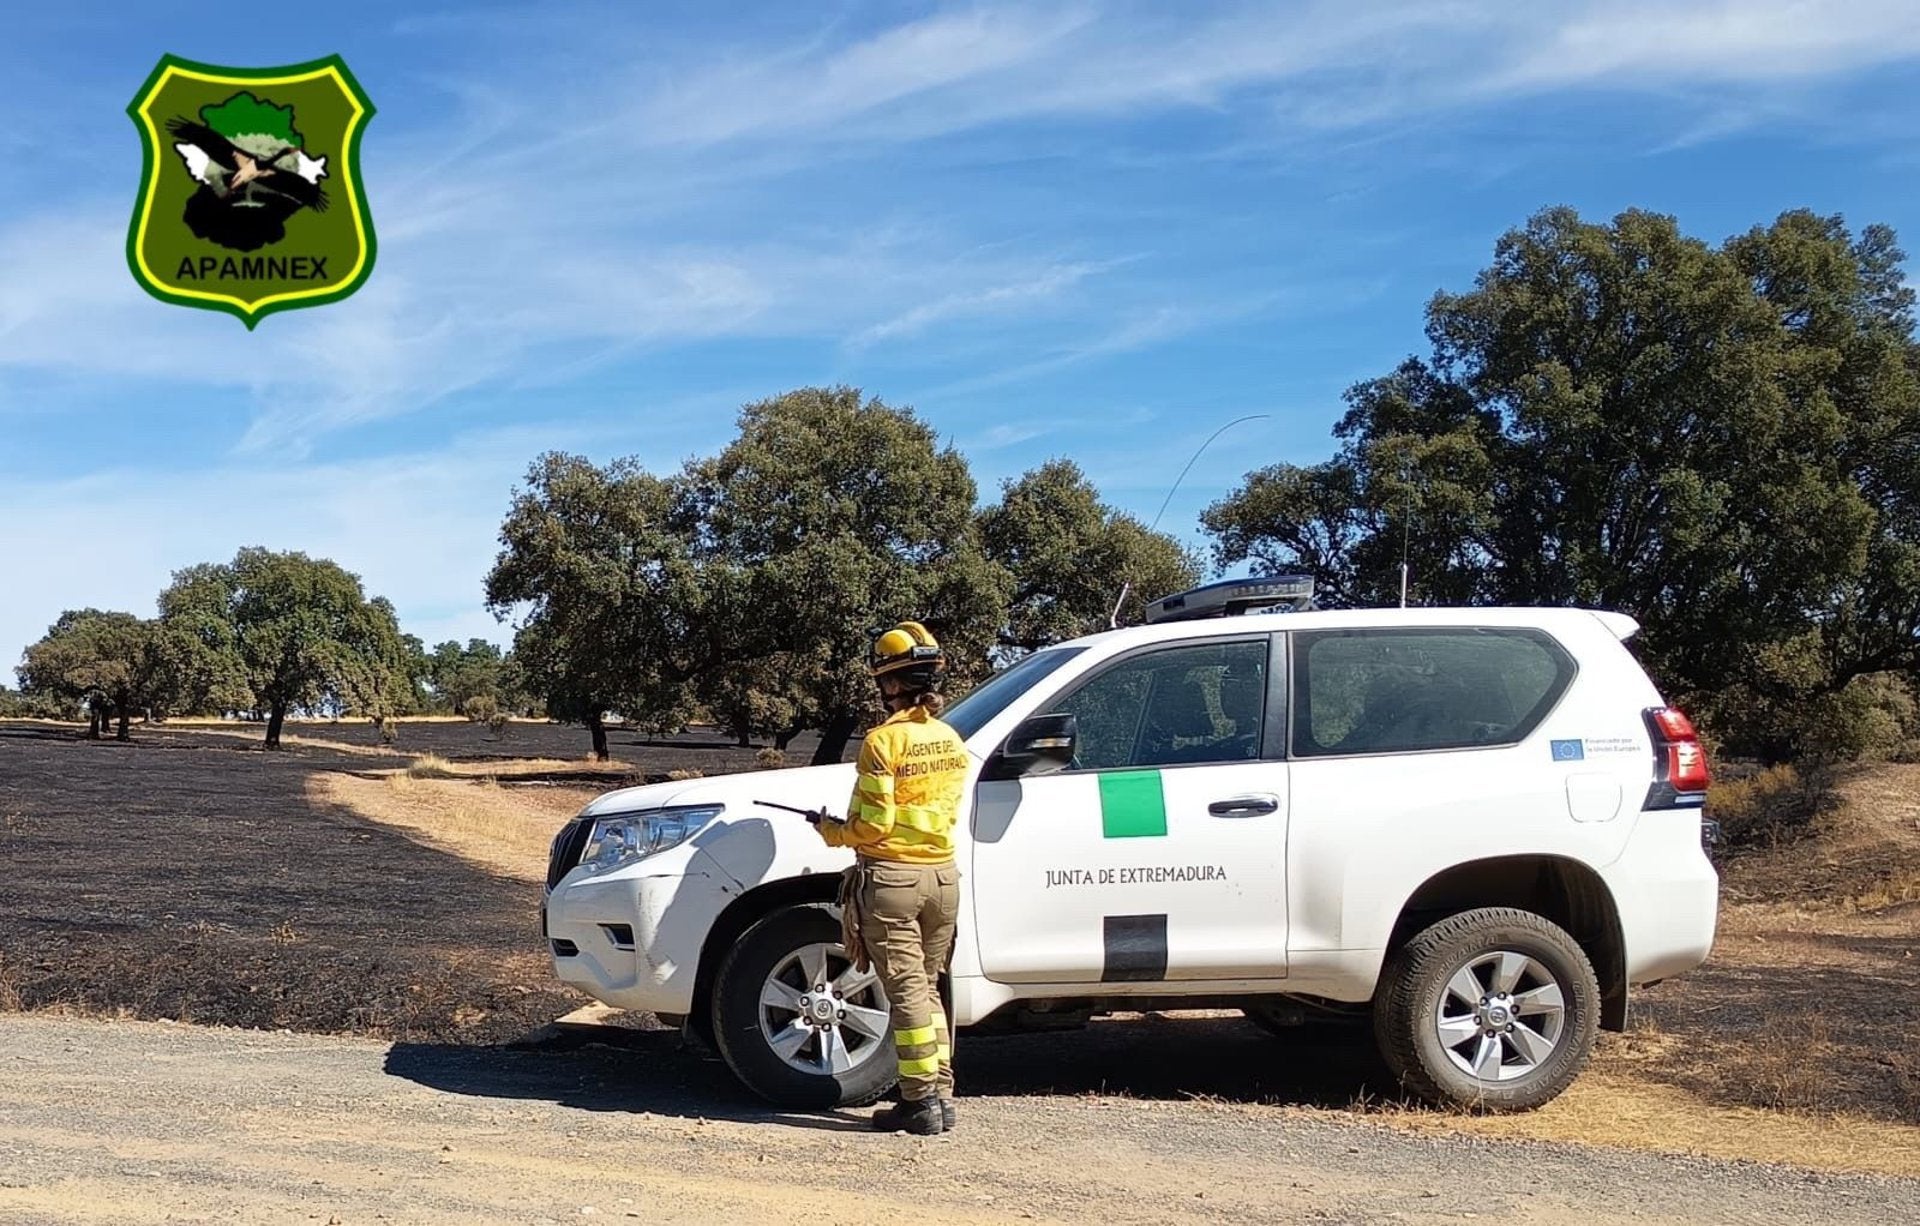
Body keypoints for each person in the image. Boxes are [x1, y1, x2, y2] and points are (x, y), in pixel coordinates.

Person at [810, 621, 968, 1135]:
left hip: (893, 882)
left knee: (906, 994)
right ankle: (940, 1094)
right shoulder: (949, 739)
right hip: (943, 879)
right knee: (927, 988)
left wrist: (834, 831)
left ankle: (919, 1102)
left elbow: (875, 825)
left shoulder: (883, 742)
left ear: (891, 683)